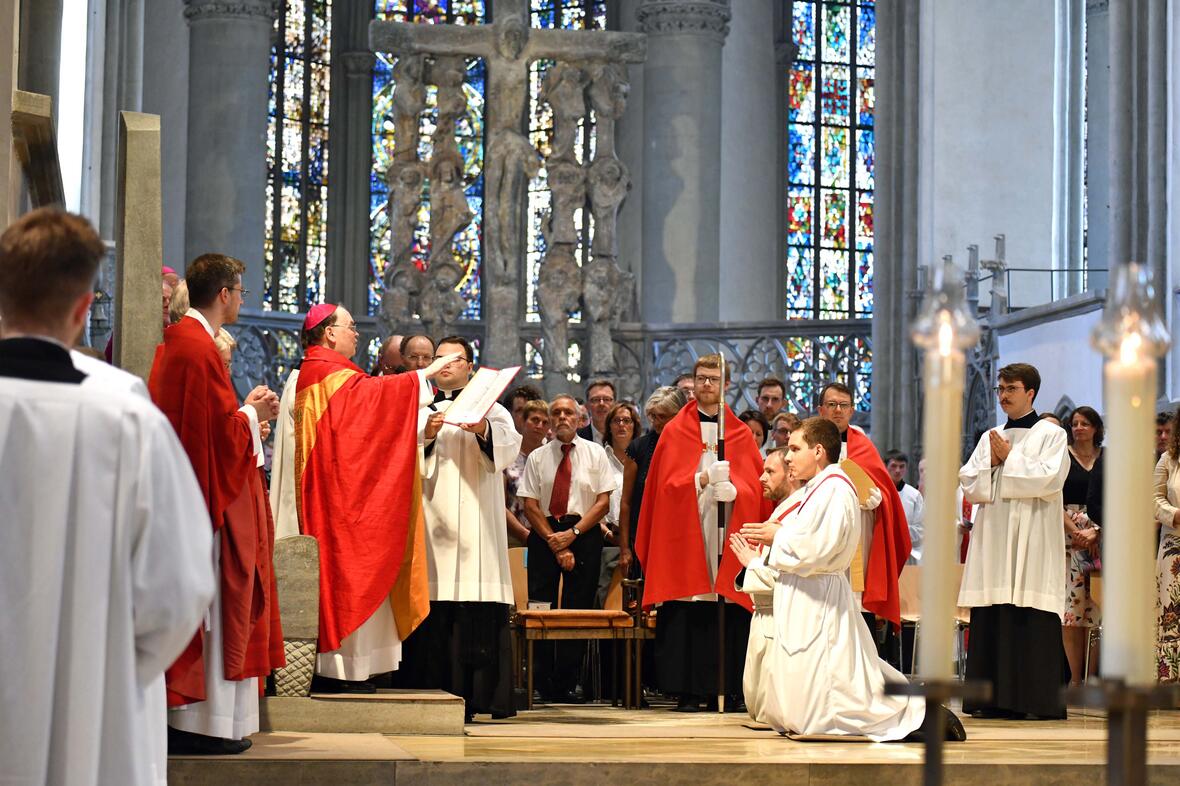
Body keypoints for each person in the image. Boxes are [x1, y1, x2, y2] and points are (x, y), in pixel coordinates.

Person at [0, 208, 215, 786]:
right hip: (88, 718)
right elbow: (182, 585)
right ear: (82, 308)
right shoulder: (123, 414)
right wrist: (108, 670)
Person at [739, 418, 960, 741]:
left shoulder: (836, 488)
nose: (788, 457)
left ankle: (924, 715)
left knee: (845, 686)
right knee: (835, 679)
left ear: (818, 451)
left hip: (820, 599)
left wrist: (779, 536)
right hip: (804, 595)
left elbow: (824, 548)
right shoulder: (817, 489)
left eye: (796, 448)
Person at [148, 253, 285, 755]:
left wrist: (244, 415)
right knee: (213, 608)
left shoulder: (184, 340)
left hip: (187, 495)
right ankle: (200, 726)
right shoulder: (197, 346)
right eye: (240, 293)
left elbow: (204, 425)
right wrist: (252, 413)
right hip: (202, 502)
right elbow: (210, 437)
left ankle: (199, 723)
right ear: (225, 294)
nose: (240, 302)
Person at [294, 305, 456, 694]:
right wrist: (423, 376)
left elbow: (365, 417)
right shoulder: (325, 373)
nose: (356, 334)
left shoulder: (330, 373)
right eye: (351, 327)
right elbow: (369, 405)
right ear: (329, 333)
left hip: (344, 488)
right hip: (339, 497)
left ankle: (357, 669)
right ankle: (341, 669)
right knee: (348, 573)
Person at [635, 354, 769, 712]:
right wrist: (701, 480)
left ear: (726, 383)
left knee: (725, 606)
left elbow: (758, 488)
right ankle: (688, 689)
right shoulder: (675, 431)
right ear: (692, 383)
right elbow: (660, 490)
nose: (706, 384)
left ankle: (726, 687)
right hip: (686, 533)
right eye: (701, 378)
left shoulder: (738, 432)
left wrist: (737, 491)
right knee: (689, 606)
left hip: (724, 533)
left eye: (714, 378)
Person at [407, 335, 522, 720]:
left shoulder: (495, 410)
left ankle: (481, 697)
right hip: (435, 524)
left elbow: (507, 450)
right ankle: (431, 693)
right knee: (437, 610)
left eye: (453, 360)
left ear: (470, 366)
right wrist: (426, 435)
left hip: (477, 527)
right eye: (438, 359)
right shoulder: (420, 408)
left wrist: (482, 430)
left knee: (477, 608)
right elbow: (402, 457)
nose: (444, 365)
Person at [958, 363, 1070, 719]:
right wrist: (991, 462)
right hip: (995, 539)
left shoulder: (1052, 435)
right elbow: (970, 485)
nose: (1004, 395)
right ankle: (989, 699)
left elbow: (1049, 480)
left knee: (1029, 613)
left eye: (1011, 389)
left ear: (1030, 393)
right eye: (1000, 389)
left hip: (1033, 539)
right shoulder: (990, 435)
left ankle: (1033, 701)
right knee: (994, 610)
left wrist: (1010, 458)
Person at [518, 395, 615, 701]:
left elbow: (603, 503)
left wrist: (572, 535)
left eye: (567, 413)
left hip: (583, 532)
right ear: (549, 419)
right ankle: (542, 681)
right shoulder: (537, 457)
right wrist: (555, 542)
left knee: (578, 609)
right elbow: (530, 505)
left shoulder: (595, 453)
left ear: (579, 419)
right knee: (540, 607)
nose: (562, 417)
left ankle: (567, 682)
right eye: (556, 413)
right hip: (546, 532)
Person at [817, 382, 911, 657]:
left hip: (856, 539)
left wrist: (876, 498)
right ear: (821, 409)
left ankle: (863, 675)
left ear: (852, 410)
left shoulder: (862, 445)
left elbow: (883, 489)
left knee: (855, 605)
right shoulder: (808, 441)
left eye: (843, 405)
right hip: (818, 533)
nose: (837, 411)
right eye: (832, 405)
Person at [727, 448, 795, 725]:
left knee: (771, 712)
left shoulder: (796, 517)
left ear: (791, 472)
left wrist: (753, 563)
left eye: (769, 471)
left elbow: (791, 578)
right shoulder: (781, 511)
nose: (761, 477)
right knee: (758, 709)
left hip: (779, 622)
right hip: (763, 615)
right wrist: (751, 564)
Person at [620, 385, 687, 580]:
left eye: (663, 417)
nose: (656, 423)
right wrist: (624, 549)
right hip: (644, 537)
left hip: (679, 536)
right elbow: (626, 502)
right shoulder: (638, 447)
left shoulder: (691, 446)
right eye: (653, 416)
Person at [1060, 406, 1102, 685]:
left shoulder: (1106, 457)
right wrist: (1077, 531)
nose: (1078, 428)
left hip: (1101, 534)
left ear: (1096, 428)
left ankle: (1092, 675)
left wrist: (1097, 531)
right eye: (1074, 423)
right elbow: (1053, 497)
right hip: (1069, 536)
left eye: (1085, 423)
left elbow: (1115, 494)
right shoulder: (1063, 456)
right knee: (1073, 609)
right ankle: (1076, 679)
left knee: (1096, 609)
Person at [597, 400, 641, 604]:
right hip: (605, 540)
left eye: (627, 420)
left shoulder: (642, 459)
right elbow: (589, 503)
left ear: (635, 426)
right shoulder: (598, 457)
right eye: (616, 420)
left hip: (635, 541)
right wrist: (606, 532)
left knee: (634, 604)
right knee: (605, 602)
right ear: (609, 426)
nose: (622, 425)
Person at [1154, 410, 1180, 682]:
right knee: (1172, 612)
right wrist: (1175, 514)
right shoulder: (1168, 459)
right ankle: (1172, 680)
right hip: (1175, 545)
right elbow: (1154, 500)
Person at [505, 398, 549, 545]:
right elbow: (500, 504)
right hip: (513, 535)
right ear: (523, 422)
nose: (539, 426)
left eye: (545, 422)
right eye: (535, 420)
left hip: (548, 536)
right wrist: (524, 534)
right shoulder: (507, 456)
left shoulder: (554, 457)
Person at [884, 450, 925, 565]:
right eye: (893, 466)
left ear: (906, 468)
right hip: (882, 552)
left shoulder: (914, 495)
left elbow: (921, 530)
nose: (897, 470)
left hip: (905, 554)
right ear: (885, 466)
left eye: (902, 466)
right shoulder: (878, 493)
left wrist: (898, 530)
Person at [578, 378, 616, 444]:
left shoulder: (626, 437)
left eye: (607, 399)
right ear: (587, 406)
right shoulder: (577, 438)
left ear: (615, 404)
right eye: (596, 399)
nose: (601, 404)